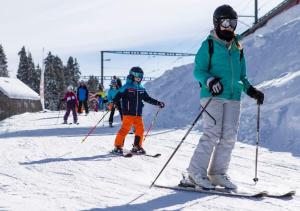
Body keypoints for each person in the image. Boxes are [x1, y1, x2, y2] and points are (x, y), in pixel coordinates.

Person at [186, 5, 264, 190]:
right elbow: (199, 71)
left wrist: (251, 90)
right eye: (226, 22)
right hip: (212, 96)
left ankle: (217, 173)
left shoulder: (238, 46)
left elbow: (241, 76)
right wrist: (210, 80)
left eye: (233, 23)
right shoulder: (209, 45)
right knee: (212, 133)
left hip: (233, 97)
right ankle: (195, 172)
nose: (230, 27)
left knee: (229, 136)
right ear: (217, 23)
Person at [111, 67, 165, 155]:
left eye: (141, 76)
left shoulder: (141, 88)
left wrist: (158, 103)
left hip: (138, 114)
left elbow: (147, 98)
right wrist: (114, 102)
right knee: (125, 129)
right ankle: (118, 146)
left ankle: (137, 146)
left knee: (140, 129)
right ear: (132, 75)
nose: (139, 77)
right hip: (128, 113)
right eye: (137, 75)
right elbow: (118, 95)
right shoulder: (126, 87)